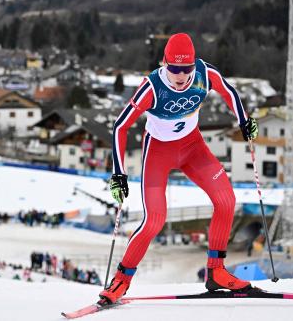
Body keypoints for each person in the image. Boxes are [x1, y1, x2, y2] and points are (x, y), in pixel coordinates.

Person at [100, 33, 258, 304]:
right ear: (165, 64)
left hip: (193, 148)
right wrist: (118, 173)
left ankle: (216, 271)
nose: (182, 75)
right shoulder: (152, 87)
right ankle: (120, 281)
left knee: (227, 200)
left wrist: (244, 120)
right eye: (175, 69)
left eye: (187, 69)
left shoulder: (203, 73)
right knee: (154, 221)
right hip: (158, 153)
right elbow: (120, 126)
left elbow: (228, 90)